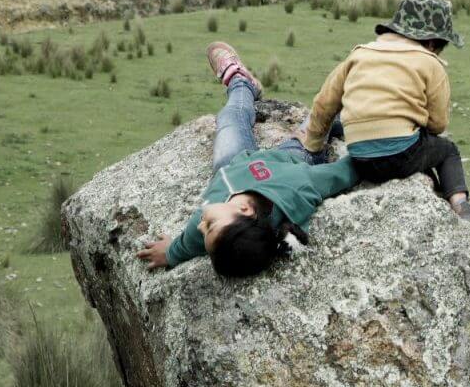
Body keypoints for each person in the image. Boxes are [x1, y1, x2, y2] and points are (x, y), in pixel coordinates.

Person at [136, 43, 358, 276]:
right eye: (209, 226)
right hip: (293, 155)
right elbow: (341, 174)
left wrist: (171, 252)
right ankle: (375, 98)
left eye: (205, 231)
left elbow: (189, 243)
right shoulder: (294, 188)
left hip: (232, 165)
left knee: (230, 117)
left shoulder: (211, 223)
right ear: (244, 209)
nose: (202, 225)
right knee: (324, 114)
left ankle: (240, 82)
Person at [302, 0, 470, 226]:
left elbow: (324, 104)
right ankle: (461, 207)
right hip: (399, 157)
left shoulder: (359, 54)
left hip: (358, 155)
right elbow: (438, 124)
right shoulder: (430, 62)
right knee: (447, 151)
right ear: (431, 43)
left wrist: (314, 147)